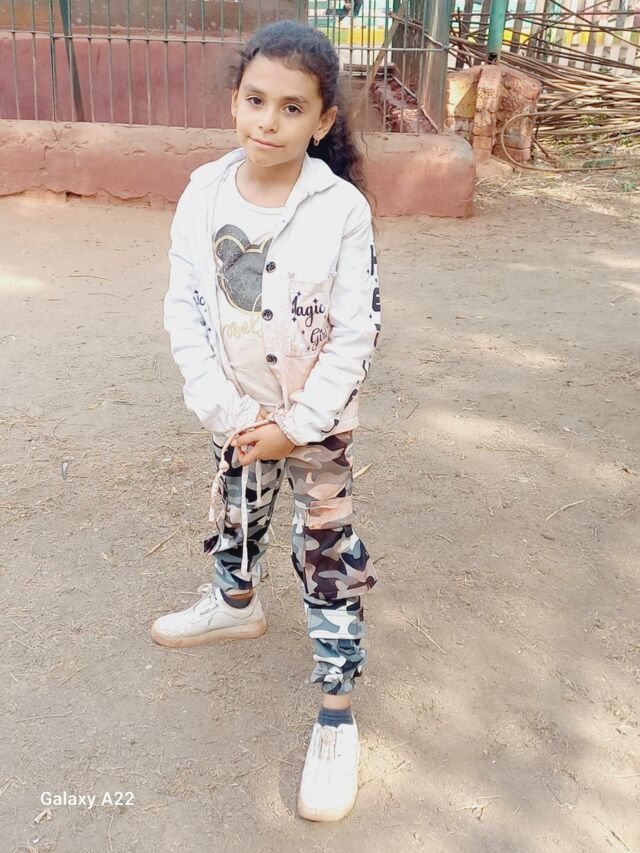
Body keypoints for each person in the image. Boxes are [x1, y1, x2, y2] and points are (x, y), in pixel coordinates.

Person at [151, 19, 381, 822]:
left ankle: (336, 714)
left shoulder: (341, 209)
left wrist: (300, 422)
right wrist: (229, 410)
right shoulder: (202, 193)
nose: (268, 122)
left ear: (323, 121)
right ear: (234, 101)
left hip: (317, 425)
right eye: (255, 100)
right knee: (239, 507)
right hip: (236, 411)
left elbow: (357, 332)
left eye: (292, 108)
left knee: (327, 553)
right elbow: (184, 306)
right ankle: (234, 601)